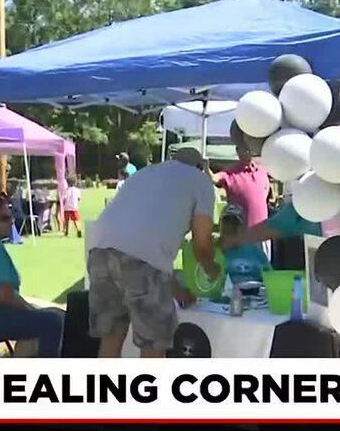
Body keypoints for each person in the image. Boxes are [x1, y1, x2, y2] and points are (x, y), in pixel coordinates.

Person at [89, 147, 220, 358]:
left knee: (111, 336)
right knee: (153, 344)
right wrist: (212, 269)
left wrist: (179, 293)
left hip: (100, 251)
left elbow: (145, 252)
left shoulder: (146, 173)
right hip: (141, 262)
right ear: (201, 167)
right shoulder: (200, 181)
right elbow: (201, 244)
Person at [0, 194, 63, 357]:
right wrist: (31, 310)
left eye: (11, 216)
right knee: (52, 322)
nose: (11, 221)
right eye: (4, 218)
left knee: (40, 318)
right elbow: (5, 296)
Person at [210, 141, 271, 229]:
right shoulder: (230, 171)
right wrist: (205, 167)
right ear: (237, 151)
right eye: (244, 149)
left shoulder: (261, 170)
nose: (247, 151)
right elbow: (214, 178)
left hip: (262, 229)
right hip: (239, 230)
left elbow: (266, 188)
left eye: (249, 149)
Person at [219, 204, 271, 290]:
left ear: (243, 228)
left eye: (235, 224)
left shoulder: (256, 252)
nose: (230, 227)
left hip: (255, 297)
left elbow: (270, 278)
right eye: (227, 223)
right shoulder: (213, 252)